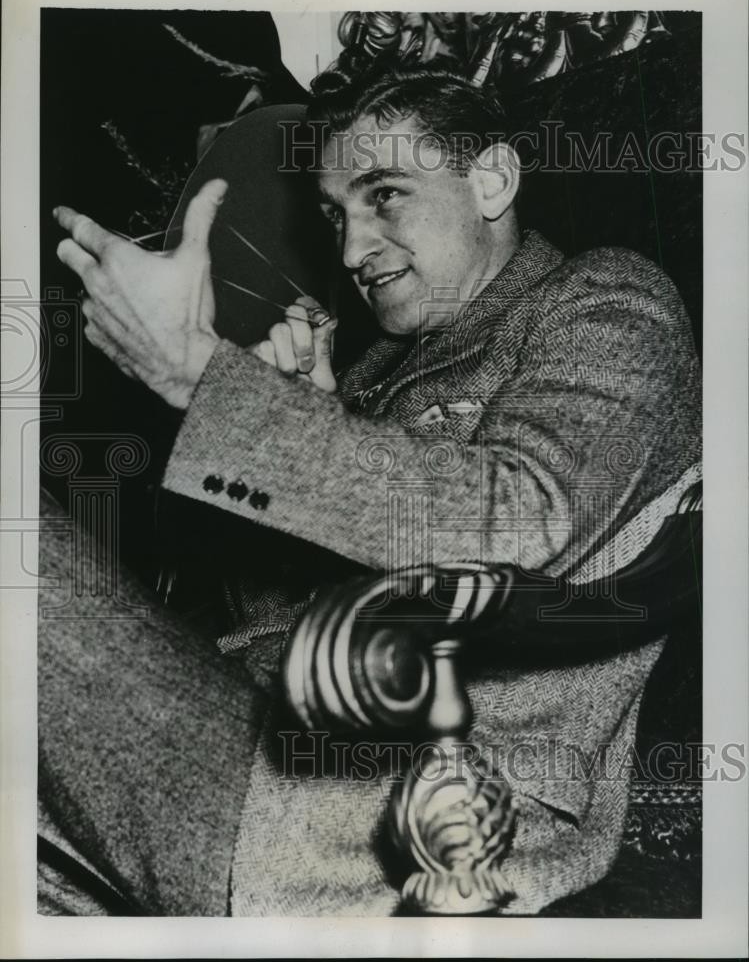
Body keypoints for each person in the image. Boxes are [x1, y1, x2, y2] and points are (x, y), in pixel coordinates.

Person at [42, 65, 701, 916]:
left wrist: (211, 382)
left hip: (406, 806)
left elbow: (524, 521)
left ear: (491, 178)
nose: (351, 251)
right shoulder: (377, 364)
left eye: (383, 195)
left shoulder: (604, 298)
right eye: (335, 216)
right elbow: (273, 620)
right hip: (274, 747)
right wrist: (309, 420)